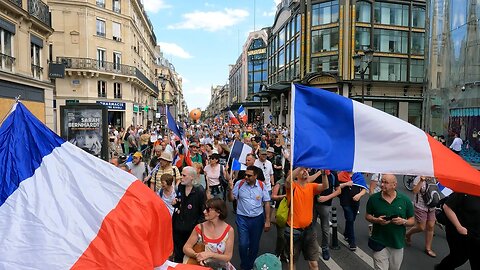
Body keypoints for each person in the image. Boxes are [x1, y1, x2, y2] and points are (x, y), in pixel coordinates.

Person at [365, 174, 415, 270]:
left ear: (394, 185)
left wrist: (403, 221)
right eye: (382, 182)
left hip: (397, 243)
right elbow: (367, 216)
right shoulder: (374, 199)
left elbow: (412, 221)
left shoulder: (405, 200)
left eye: (386, 183)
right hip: (379, 242)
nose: (382, 185)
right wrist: (377, 220)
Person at [284, 167, 328, 270]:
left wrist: (323, 174)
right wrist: (300, 166)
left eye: (306, 170)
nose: (305, 171)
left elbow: (325, 186)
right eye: (302, 170)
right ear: (296, 175)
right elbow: (287, 181)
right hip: (293, 231)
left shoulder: (311, 186)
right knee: (292, 263)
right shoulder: (292, 186)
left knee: (314, 263)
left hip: (309, 230)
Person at [227, 165, 271, 270]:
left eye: (249, 175)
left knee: (254, 245)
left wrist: (268, 220)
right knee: (243, 244)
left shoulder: (261, 185)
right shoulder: (240, 184)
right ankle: (244, 264)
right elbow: (231, 199)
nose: (246, 177)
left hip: (257, 219)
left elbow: (267, 203)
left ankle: (250, 265)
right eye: (245, 174)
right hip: (242, 219)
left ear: (255, 176)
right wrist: (230, 189)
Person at [183, 198, 235, 270]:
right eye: (205, 208)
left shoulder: (229, 230)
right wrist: (197, 255)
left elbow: (228, 256)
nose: (204, 211)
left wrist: (210, 254)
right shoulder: (199, 228)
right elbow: (186, 248)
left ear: (218, 212)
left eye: (208, 209)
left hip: (219, 267)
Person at [435, 193, 480, 270]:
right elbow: (447, 207)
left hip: (477, 235)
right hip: (460, 234)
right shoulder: (464, 191)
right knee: (458, 258)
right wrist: (459, 226)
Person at [172, 166, 206, 263]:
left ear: (191, 177)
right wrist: (176, 203)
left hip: (191, 230)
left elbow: (203, 212)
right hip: (178, 227)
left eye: (184, 175)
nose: (181, 177)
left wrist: (196, 227)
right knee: (178, 253)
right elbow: (181, 203)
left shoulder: (199, 191)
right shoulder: (181, 187)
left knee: (188, 256)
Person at [405, 176, 438, 258]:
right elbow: (415, 191)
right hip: (420, 206)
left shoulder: (433, 178)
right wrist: (421, 181)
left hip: (432, 206)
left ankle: (428, 248)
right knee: (421, 227)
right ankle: (408, 234)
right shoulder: (418, 178)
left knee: (431, 226)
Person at [313, 170, 341, 260]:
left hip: (326, 205)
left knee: (325, 229)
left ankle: (325, 248)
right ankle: (313, 246)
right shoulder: (315, 171)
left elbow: (338, 190)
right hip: (312, 204)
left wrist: (327, 197)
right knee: (311, 227)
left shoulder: (333, 174)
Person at [338, 171, 367, 251]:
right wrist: (345, 184)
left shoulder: (358, 175)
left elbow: (364, 189)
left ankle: (346, 233)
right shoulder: (341, 175)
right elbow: (336, 187)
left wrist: (359, 195)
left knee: (351, 219)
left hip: (355, 202)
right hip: (345, 201)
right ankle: (352, 241)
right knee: (350, 219)